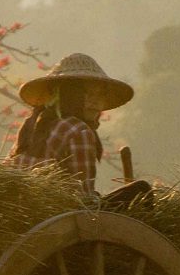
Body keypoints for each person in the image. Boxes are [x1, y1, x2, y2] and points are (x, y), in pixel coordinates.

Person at [9, 53, 133, 192]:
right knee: (141, 190)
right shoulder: (79, 132)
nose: (96, 101)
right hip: (62, 208)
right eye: (87, 93)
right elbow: (84, 196)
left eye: (100, 94)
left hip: (28, 206)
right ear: (69, 95)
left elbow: (8, 170)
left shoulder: (31, 124)